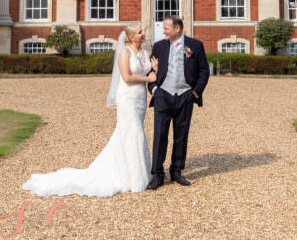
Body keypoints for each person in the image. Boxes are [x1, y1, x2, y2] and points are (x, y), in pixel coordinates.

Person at [22, 23, 157, 197]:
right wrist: (147, 78)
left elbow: (152, 71)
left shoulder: (145, 54)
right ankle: (133, 178)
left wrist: (155, 69)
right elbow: (126, 77)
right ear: (132, 37)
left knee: (134, 131)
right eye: (140, 32)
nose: (144, 34)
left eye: (142, 31)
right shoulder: (125, 53)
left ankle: (137, 172)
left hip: (140, 99)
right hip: (128, 98)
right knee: (133, 132)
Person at [146, 15, 209, 189]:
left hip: (185, 95)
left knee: (181, 135)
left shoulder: (195, 45)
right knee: (160, 135)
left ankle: (176, 171)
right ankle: (157, 174)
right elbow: (150, 71)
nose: (163, 30)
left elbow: (204, 71)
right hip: (163, 95)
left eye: (166, 28)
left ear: (177, 29)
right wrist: (155, 90)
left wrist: (195, 92)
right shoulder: (159, 46)